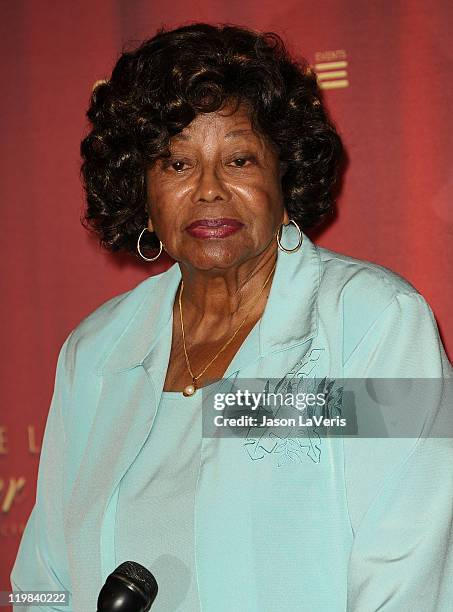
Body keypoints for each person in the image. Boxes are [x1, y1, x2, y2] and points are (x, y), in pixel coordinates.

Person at [10, 22, 453, 612]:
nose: (209, 190)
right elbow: (42, 581)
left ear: (284, 173)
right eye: (176, 164)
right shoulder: (93, 353)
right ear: (140, 190)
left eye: (239, 159)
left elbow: (408, 581)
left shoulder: (375, 327)